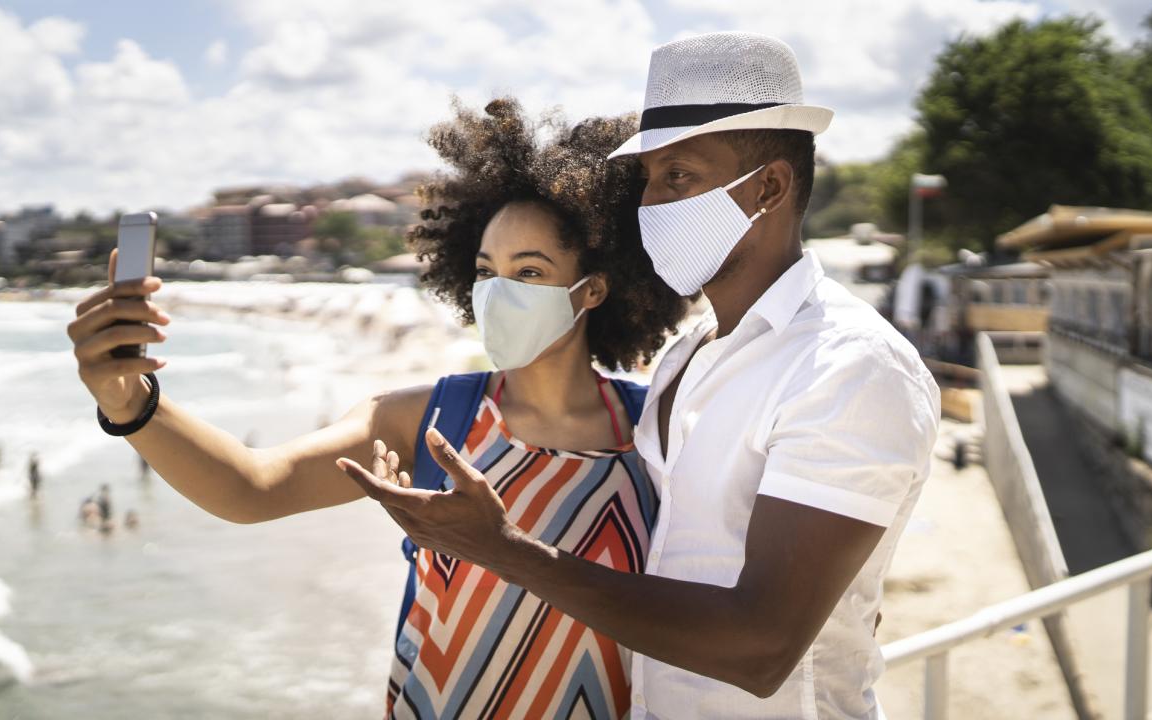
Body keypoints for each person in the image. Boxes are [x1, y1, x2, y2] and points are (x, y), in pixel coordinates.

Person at [340, 33, 940, 719]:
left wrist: (504, 550)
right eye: (648, 179)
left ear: (770, 186)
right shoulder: (687, 360)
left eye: (678, 176)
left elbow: (761, 646)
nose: (651, 203)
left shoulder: (849, 366)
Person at [65, 98, 687, 717]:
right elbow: (251, 486)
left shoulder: (656, 428)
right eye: (484, 271)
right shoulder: (426, 420)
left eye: (528, 273)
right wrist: (133, 405)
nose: (498, 294)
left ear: (596, 288)